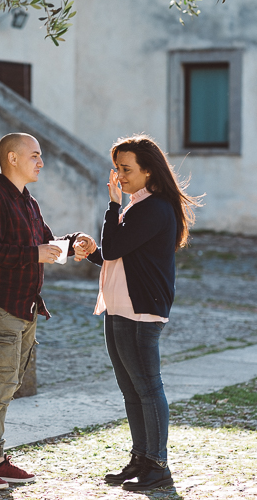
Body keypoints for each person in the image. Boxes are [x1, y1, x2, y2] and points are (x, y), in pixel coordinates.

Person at [0, 132, 93, 491]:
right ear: (12, 158)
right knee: (0, 383)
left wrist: (74, 243)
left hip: (25, 305)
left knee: (9, 384)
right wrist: (34, 253)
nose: (41, 162)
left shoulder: (28, 201)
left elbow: (46, 243)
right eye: (34, 155)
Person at [74, 134, 202, 491]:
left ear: (148, 170)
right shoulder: (138, 205)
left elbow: (116, 246)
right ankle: (142, 457)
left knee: (147, 387)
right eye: (117, 169)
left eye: (126, 169)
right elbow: (119, 253)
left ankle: (158, 465)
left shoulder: (154, 207)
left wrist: (112, 207)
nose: (119, 176)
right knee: (131, 388)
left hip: (142, 310)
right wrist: (92, 250)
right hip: (118, 306)